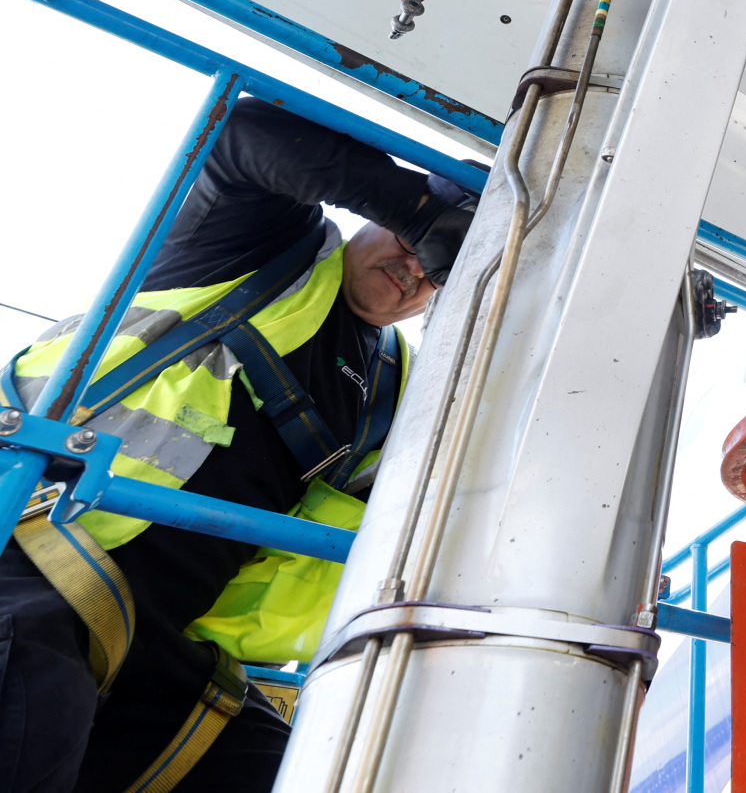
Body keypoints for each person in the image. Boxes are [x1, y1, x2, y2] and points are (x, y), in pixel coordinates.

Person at [0, 99, 474, 793]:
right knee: (29, 695)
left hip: (165, 639)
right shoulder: (258, 244)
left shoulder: (399, 387)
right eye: (411, 240)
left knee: (298, 770)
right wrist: (426, 214)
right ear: (377, 215)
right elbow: (242, 131)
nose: (415, 269)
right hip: (35, 545)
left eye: (440, 272)